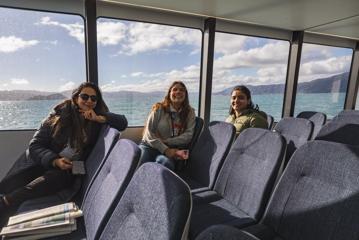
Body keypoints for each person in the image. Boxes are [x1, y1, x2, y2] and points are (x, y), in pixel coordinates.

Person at [0, 82, 127, 225]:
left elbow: (122, 122)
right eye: (84, 96)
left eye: (93, 98)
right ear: (75, 98)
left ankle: (10, 200)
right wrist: (55, 160)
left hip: (75, 166)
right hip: (44, 160)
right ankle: (7, 202)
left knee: (58, 177)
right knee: (10, 184)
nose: (89, 101)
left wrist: (99, 118)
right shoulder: (58, 115)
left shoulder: (96, 118)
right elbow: (35, 145)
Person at [139, 81, 196, 171]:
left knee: (166, 164)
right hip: (150, 146)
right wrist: (165, 149)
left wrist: (167, 142)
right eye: (175, 89)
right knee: (140, 163)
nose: (178, 92)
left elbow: (188, 136)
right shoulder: (159, 108)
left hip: (171, 149)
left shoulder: (190, 112)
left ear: (185, 95)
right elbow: (148, 133)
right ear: (169, 93)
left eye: (182, 90)